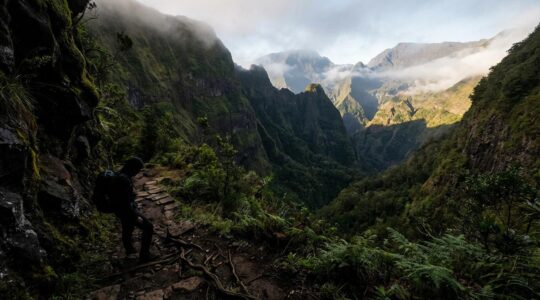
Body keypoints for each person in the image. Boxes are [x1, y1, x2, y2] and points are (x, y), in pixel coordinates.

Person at [109, 157, 155, 263]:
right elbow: (124, 202)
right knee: (148, 227)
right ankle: (144, 256)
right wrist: (135, 216)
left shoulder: (120, 176)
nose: (138, 172)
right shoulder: (123, 180)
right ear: (132, 167)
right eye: (137, 169)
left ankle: (130, 251)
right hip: (126, 211)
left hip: (119, 210)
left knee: (127, 228)